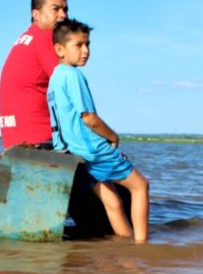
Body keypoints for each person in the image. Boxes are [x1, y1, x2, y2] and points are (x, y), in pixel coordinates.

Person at [47, 18, 150, 243]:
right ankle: (142, 246)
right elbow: (89, 118)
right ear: (59, 49)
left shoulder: (54, 78)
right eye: (78, 45)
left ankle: (124, 243)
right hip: (92, 149)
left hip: (72, 153)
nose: (86, 51)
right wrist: (113, 136)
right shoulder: (73, 75)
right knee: (141, 186)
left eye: (88, 44)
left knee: (112, 201)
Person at [0, 0, 68, 149]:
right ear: (36, 14)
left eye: (65, 10)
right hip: (39, 139)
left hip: (14, 139)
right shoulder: (45, 37)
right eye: (55, 9)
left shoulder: (27, 38)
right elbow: (66, 86)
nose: (63, 15)